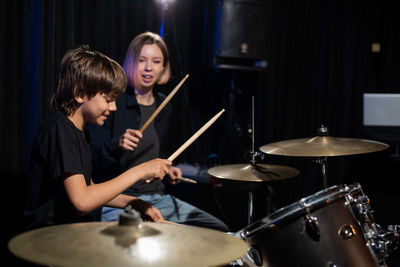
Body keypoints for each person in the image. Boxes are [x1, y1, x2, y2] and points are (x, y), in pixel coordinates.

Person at [88, 32, 229, 231]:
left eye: (156, 61)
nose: (148, 68)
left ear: (163, 67)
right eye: (141, 60)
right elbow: (91, 161)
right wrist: (116, 145)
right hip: (118, 200)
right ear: (130, 63)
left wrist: (167, 168)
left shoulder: (165, 106)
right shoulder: (112, 102)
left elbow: (157, 155)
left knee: (217, 230)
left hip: (157, 198)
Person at [23, 45, 172, 231]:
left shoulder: (79, 130)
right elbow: (82, 201)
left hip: (71, 234)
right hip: (49, 238)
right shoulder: (59, 130)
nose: (114, 107)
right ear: (79, 94)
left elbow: (89, 187)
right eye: (108, 99)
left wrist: (134, 202)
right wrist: (141, 171)